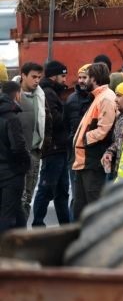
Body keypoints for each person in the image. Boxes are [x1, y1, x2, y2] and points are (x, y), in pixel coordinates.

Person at [72, 63, 117, 219]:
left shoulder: (106, 98)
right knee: (81, 207)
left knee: (93, 207)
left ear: (94, 78)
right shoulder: (100, 97)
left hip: (92, 160)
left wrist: (83, 141)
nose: (85, 80)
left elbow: (103, 130)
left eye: (87, 77)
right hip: (85, 160)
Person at [32, 60, 71, 227]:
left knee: (61, 191)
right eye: (63, 76)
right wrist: (70, 118)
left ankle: (65, 225)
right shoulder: (48, 93)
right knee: (46, 189)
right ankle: (38, 225)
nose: (65, 80)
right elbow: (55, 120)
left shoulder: (53, 92)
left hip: (59, 148)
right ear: (54, 76)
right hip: (53, 149)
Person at [0, 81, 31, 233]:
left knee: (16, 212)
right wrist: (25, 165)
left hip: (4, 171)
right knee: (7, 216)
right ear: (17, 94)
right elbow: (18, 146)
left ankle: (22, 243)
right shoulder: (11, 117)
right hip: (12, 173)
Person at [63, 63, 92, 220]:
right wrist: (71, 140)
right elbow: (65, 124)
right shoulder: (71, 99)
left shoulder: (95, 98)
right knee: (76, 195)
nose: (81, 81)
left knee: (90, 194)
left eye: (84, 77)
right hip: (74, 152)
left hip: (92, 152)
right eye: (79, 77)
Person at [17, 61, 46, 222]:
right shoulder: (11, 95)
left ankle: (22, 232)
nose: (37, 80)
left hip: (34, 153)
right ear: (23, 76)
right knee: (17, 198)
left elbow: (45, 121)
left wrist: (43, 147)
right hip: (17, 154)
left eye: (39, 77)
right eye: (33, 77)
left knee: (27, 197)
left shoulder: (40, 95)